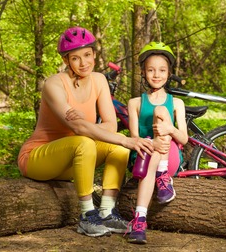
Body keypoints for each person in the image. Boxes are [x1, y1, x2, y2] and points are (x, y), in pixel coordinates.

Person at [17, 26, 153, 238]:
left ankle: (107, 211)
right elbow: (79, 128)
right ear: (66, 61)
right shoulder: (54, 84)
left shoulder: (99, 81)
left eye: (87, 55)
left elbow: (111, 125)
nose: (84, 63)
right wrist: (90, 129)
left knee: (117, 146)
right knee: (90, 141)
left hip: (77, 156)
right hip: (38, 157)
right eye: (76, 58)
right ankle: (87, 215)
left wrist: (91, 129)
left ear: (94, 54)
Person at [126, 42, 188, 244]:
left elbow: (184, 139)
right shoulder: (135, 103)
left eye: (162, 70)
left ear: (169, 73)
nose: (156, 75)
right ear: (143, 72)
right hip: (143, 156)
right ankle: (140, 219)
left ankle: (140, 218)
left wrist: (169, 129)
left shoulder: (177, 103)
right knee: (151, 152)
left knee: (161, 111)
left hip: (168, 155)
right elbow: (135, 138)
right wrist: (151, 144)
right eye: (151, 70)